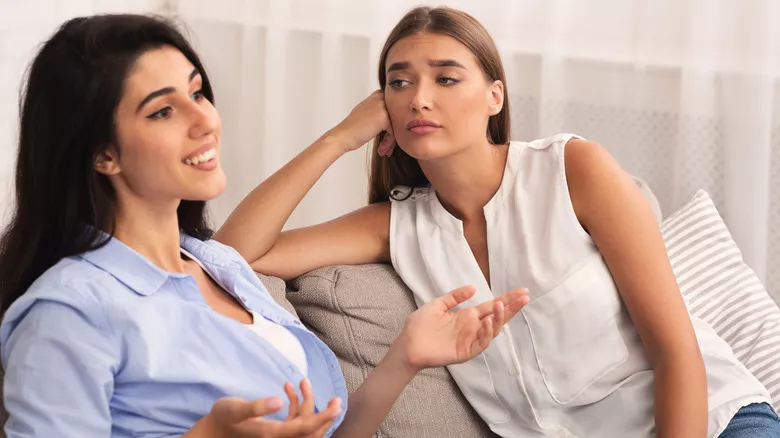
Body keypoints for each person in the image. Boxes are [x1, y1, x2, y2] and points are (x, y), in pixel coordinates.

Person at [216, 6, 780, 438]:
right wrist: (339, 137)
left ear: (494, 95)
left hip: (713, 424)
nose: (419, 99)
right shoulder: (396, 224)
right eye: (399, 81)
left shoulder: (573, 170)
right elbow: (234, 254)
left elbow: (675, 349)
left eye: (446, 77)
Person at [0, 14, 531, 438]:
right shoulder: (70, 310)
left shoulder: (215, 263)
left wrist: (405, 357)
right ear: (103, 154)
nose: (205, 119)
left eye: (198, 92)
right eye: (162, 111)